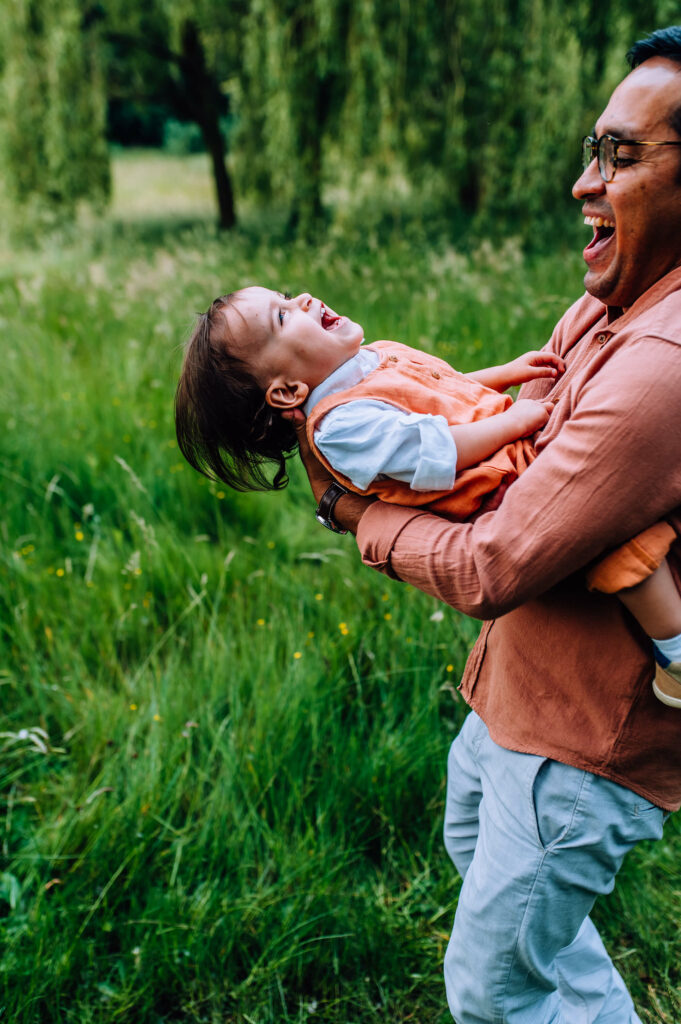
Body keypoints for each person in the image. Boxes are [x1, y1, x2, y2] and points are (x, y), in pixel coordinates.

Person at [288, 26, 681, 1024]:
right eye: (596, 149)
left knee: (493, 989)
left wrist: (357, 511)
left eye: (622, 156)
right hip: (520, 697)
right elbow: (526, 409)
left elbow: (497, 561)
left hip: (579, 742)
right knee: (491, 879)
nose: (585, 184)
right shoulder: (612, 303)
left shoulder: (660, 364)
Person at [176, 287, 681, 707]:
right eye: (283, 316)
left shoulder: (371, 362)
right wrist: (510, 422)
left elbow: (444, 394)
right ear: (286, 392)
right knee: (620, 544)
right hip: (492, 490)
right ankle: (674, 653)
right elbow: (435, 446)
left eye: (287, 295)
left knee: (626, 501)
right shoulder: (340, 426)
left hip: (505, 458)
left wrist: (505, 373)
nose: (305, 298)